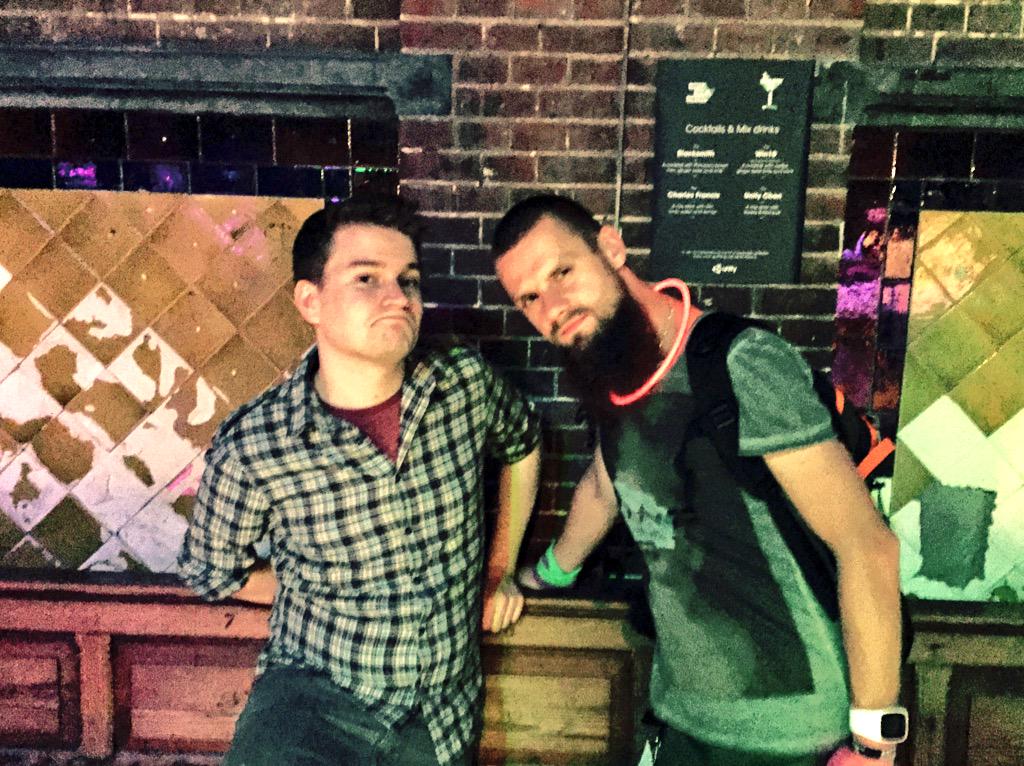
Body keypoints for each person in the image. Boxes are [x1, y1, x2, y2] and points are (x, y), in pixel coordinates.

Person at [491, 195, 905, 766]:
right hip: (680, 716)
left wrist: (873, 744)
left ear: (611, 247)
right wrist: (541, 577)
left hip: (791, 731)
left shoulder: (740, 362)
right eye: (530, 299)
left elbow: (867, 545)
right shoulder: (619, 371)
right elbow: (607, 487)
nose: (553, 308)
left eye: (562, 272)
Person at [178, 194, 541, 766]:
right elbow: (213, 570)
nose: (399, 297)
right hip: (313, 702)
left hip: (440, 716)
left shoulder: (463, 384)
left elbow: (523, 444)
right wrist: (318, 589)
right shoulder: (257, 441)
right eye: (367, 278)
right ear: (310, 301)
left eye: (409, 280)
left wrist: (499, 569)